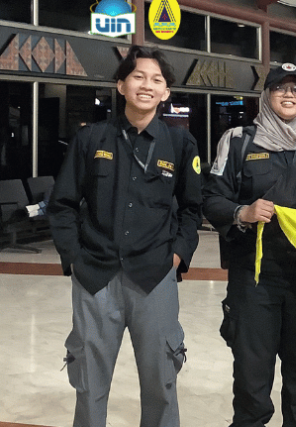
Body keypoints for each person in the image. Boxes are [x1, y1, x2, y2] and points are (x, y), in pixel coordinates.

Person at [47, 45, 202, 427]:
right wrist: (74, 258)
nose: (147, 85)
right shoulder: (91, 139)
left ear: (165, 91)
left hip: (155, 277)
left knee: (161, 381)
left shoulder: (180, 144)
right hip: (95, 276)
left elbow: (191, 209)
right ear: (121, 85)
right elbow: (63, 204)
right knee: (89, 382)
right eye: (138, 77)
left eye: (156, 80)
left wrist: (177, 256)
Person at [202, 63, 296, 427]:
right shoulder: (238, 141)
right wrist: (242, 212)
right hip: (254, 277)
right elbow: (212, 198)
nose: (289, 95)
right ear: (266, 95)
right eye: (280, 88)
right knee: (251, 379)